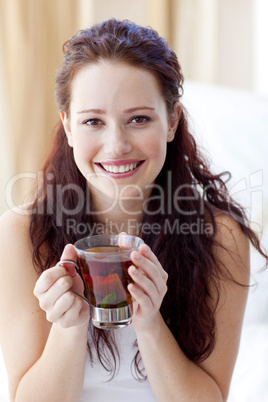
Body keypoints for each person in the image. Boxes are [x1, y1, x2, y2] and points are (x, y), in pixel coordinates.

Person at [0, 18, 267, 402]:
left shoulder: (220, 237)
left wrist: (149, 324)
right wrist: (68, 329)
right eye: (93, 121)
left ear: (172, 120)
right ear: (69, 127)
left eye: (139, 119)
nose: (116, 146)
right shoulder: (21, 234)